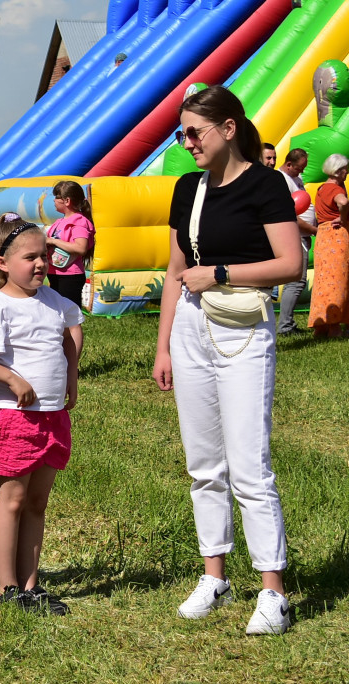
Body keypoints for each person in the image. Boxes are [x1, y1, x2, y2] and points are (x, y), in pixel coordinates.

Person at [152, 85, 300, 635]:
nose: (187, 142)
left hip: (242, 325)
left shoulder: (265, 185)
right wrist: (164, 344)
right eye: (181, 133)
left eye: (195, 132)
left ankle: (273, 591)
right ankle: (214, 575)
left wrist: (219, 273)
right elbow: (173, 271)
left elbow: (291, 264)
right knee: (203, 461)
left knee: (249, 463)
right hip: (190, 324)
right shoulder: (187, 188)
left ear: (229, 128)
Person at [0, 216, 81, 615]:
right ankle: (7, 587)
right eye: (30, 257)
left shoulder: (55, 303)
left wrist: (71, 375)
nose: (41, 263)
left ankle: (31, 584)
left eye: (45, 255)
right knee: (14, 498)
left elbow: (73, 327)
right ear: (3, 262)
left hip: (52, 416)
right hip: (12, 417)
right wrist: (10, 377)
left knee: (37, 501)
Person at [45, 179, 94, 357]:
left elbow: (81, 247)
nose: (54, 201)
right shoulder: (59, 222)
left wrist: (52, 241)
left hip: (70, 277)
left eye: (56, 197)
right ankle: (61, 358)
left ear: (66, 201)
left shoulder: (79, 222)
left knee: (71, 320)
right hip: (55, 274)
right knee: (58, 318)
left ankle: (72, 364)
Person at [307, 153, 349, 338]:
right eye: (345, 169)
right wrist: (343, 217)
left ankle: (320, 325)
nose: (347, 172)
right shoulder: (336, 189)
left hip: (323, 235)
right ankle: (334, 326)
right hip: (336, 236)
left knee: (322, 281)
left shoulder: (322, 188)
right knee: (338, 281)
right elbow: (343, 202)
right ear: (338, 171)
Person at [275, 149, 316, 335]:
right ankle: (285, 326)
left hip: (303, 235)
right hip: (295, 235)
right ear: (289, 164)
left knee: (297, 282)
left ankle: (287, 324)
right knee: (296, 282)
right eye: (299, 168)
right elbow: (290, 214)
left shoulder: (296, 179)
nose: (301, 172)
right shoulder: (282, 179)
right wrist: (315, 230)